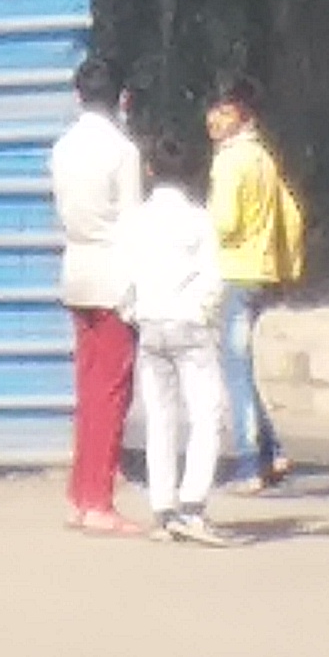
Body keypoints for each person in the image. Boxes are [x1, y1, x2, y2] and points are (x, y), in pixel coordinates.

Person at [121, 129, 229, 544]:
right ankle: (194, 507)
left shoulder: (135, 220)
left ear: (149, 171)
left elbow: (122, 277)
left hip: (150, 326)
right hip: (189, 327)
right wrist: (203, 312)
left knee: (160, 418)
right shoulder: (200, 220)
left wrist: (133, 312)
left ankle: (163, 511)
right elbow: (214, 277)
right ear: (190, 174)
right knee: (207, 415)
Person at [50, 55, 142, 536]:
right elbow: (129, 223)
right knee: (112, 391)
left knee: (88, 390)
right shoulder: (122, 151)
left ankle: (78, 494)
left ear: (78, 95)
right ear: (121, 98)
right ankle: (99, 502)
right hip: (111, 274)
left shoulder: (63, 147)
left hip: (77, 268)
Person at [206, 80, 305, 491]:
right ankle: (272, 451)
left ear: (244, 117)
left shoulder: (230, 161)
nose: (214, 119)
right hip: (261, 270)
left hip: (235, 270)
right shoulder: (263, 157)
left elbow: (226, 223)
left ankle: (249, 465)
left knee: (234, 370)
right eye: (214, 110)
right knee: (240, 365)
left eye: (225, 112)